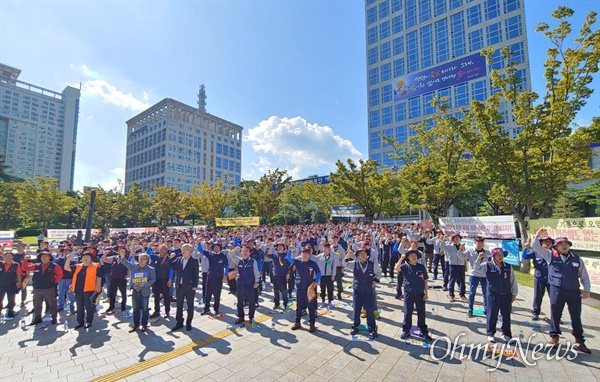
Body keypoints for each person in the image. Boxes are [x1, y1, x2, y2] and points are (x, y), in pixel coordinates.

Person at [532, 230, 591, 353]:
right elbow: (535, 246)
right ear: (556, 247)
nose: (564, 246)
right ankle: (554, 337)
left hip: (573, 291)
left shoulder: (576, 259)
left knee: (576, 316)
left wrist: (587, 290)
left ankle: (579, 340)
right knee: (555, 314)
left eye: (566, 244)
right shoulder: (550, 255)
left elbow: (584, 276)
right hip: (556, 289)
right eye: (561, 244)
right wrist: (537, 235)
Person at [473, 248, 518, 344]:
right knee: (492, 314)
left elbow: (512, 280)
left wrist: (514, 293)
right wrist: (478, 259)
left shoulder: (508, 266)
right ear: (493, 256)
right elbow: (476, 269)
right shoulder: (487, 265)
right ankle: (491, 333)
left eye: (502, 254)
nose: (500, 256)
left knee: (506, 315)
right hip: (493, 294)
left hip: (506, 294)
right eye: (498, 255)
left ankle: (506, 334)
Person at [22, 251, 63, 325]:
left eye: (46, 256)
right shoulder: (36, 265)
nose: (44, 258)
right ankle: (37, 318)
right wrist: (25, 260)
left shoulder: (54, 266)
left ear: (49, 257)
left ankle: (54, 318)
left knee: (52, 304)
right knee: (37, 305)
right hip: (37, 288)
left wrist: (53, 281)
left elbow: (60, 275)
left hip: (49, 288)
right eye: (42, 257)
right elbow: (25, 268)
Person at [399, 250, 432, 341]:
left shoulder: (421, 267)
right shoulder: (405, 266)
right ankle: (406, 330)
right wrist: (401, 258)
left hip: (419, 293)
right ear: (408, 258)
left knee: (421, 313)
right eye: (412, 255)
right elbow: (396, 269)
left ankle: (423, 331)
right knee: (407, 312)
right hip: (408, 293)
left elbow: (425, 280)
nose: (414, 257)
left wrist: (426, 293)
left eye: (415, 255)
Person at [119, 252, 156, 332]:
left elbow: (153, 279)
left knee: (145, 309)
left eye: (143, 259)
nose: (141, 261)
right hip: (135, 290)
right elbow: (126, 263)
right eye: (140, 259)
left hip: (144, 291)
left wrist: (145, 284)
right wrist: (122, 256)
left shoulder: (151, 269)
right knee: (135, 309)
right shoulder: (134, 267)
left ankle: (144, 325)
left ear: (147, 260)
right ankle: (136, 325)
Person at [64, 252, 102, 329]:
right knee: (79, 306)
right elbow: (66, 268)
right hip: (78, 290)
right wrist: (68, 259)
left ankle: (89, 321)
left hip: (89, 290)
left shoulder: (95, 266)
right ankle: (80, 322)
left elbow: (99, 277)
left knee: (89, 307)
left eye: (88, 256)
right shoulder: (77, 266)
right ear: (81, 258)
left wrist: (98, 287)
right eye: (84, 256)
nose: (86, 258)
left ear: (91, 258)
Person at [287, 247, 321, 333]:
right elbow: (289, 258)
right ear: (301, 254)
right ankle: (297, 322)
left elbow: (319, 273)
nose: (304, 255)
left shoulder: (312, 263)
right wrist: (290, 250)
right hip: (299, 288)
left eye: (306, 253)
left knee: (311, 306)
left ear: (309, 255)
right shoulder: (298, 262)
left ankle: (312, 323)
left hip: (309, 288)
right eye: (303, 253)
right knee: (299, 306)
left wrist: (316, 282)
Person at [349, 247, 380, 337]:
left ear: (367, 255)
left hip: (368, 290)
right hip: (357, 290)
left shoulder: (372, 264)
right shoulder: (354, 264)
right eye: (360, 253)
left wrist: (375, 281)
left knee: (369, 310)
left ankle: (372, 328)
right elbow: (344, 263)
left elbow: (379, 273)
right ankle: (355, 326)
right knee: (356, 309)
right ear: (358, 256)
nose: (362, 255)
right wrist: (348, 254)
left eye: (364, 253)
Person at [168, 243, 199, 331]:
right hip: (179, 286)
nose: (183, 251)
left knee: (190, 305)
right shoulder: (178, 259)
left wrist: (195, 285)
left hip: (189, 287)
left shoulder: (194, 261)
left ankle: (189, 322)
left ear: (190, 250)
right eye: (182, 249)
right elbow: (169, 266)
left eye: (185, 249)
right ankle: (179, 322)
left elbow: (196, 275)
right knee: (179, 305)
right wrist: (171, 258)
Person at [521, 237, 553, 321]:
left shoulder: (553, 253)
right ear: (541, 243)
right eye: (545, 242)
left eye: (549, 242)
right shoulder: (536, 252)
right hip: (539, 278)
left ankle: (555, 315)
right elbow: (525, 256)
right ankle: (535, 313)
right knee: (538, 296)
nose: (547, 244)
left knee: (554, 298)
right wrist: (526, 248)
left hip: (551, 279)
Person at [234, 246, 260, 324]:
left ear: (249, 253)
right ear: (241, 252)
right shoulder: (239, 260)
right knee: (240, 301)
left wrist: (257, 282)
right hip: (240, 284)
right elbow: (230, 255)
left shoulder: (253, 261)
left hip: (250, 284)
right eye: (243, 251)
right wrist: (235, 250)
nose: (245, 253)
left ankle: (251, 317)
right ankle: (241, 316)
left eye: (246, 251)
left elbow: (256, 272)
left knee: (251, 302)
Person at [201, 242, 229, 316]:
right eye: (214, 246)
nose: (216, 248)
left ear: (220, 248)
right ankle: (206, 308)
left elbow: (226, 266)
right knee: (208, 294)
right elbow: (200, 250)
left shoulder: (223, 256)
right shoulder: (210, 254)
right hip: (210, 277)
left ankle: (216, 309)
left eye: (217, 246)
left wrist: (225, 275)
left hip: (219, 278)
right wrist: (198, 241)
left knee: (217, 295)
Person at [466, 236, 490, 318]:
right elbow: (461, 256)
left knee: (485, 293)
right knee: (472, 293)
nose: (480, 244)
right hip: (474, 274)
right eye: (478, 243)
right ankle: (470, 310)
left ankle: (486, 310)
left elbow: (490, 263)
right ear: (475, 243)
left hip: (484, 275)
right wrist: (460, 249)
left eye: (481, 243)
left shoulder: (487, 252)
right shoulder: (471, 251)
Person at [440, 234, 467, 302]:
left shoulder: (462, 247)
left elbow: (465, 257)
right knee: (452, 280)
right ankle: (451, 295)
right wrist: (444, 239)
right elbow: (442, 246)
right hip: (453, 265)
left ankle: (462, 295)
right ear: (453, 239)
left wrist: (465, 265)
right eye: (455, 238)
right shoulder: (449, 246)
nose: (457, 239)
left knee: (462, 281)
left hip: (461, 265)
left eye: (458, 238)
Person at [103, 246, 129, 314]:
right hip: (114, 278)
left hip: (122, 278)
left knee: (123, 293)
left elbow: (130, 267)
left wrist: (128, 274)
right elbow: (105, 260)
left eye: (123, 251)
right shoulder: (114, 258)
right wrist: (105, 254)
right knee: (112, 293)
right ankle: (111, 306)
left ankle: (123, 306)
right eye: (120, 251)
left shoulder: (127, 258)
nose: (121, 252)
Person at [149, 245, 173, 319]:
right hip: (156, 280)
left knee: (166, 296)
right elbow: (147, 254)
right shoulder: (156, 257)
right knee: (156, 296)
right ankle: (157, 311)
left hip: (165, 280)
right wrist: (150, 246)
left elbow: (171, 269)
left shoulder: (169, 258)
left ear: (166, 250)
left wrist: (170, 279)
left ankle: (167, 311)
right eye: (160, 249)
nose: (161, 251)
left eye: (163, 249)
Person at [0, 251, 22, 318]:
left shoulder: (16, 264)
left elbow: (18, 274)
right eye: (6, 256)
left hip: (11, 285)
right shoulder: (1, 264)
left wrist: (19, 282)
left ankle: (10, 312)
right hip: (1, 285)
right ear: (3, 257)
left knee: (11, 300)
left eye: (9, 256)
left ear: (12, 257)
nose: (7, 257)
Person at [269, 242, 291, 310]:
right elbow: (266, 254)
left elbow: (289, 265)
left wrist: (288, 273)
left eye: (281, 246)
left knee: (284, 291)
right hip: (276, 275)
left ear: (283, 247)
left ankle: (285, 304)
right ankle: (276, 304)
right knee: (276, 291)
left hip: (283, 275)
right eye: (278, 246)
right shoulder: (275, 255)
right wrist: (268, 247)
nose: (280, 247)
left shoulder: (286, 255)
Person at [54, 248, 76, 314]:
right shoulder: (59, 260)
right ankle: (60, 306)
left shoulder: (73, 260)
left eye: (68, 251)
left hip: (70, 279)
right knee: (61, 292)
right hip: (61, 279)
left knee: (70, 293)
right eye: (65, 251)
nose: (66, 252)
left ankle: (72, 306)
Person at [330, 235, 346, 300]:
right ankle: (331, 294)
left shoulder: (341, 248)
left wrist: (343, 267)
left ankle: (339, 293)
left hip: (338, 266)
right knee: (331, 281)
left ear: (338, 240)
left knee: (339, 281)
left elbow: (343, 258)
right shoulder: (330, 248)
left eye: (336, 239)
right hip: (331, 267)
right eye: (333, 239)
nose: (334, 241)